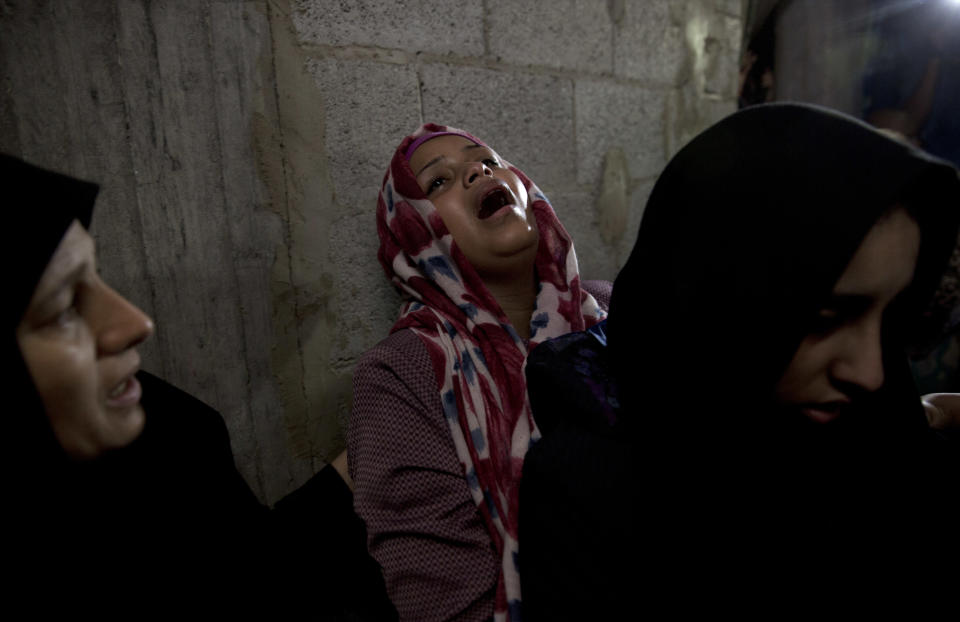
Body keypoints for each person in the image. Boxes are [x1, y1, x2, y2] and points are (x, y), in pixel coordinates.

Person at [519, 103, 960, 619]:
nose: (870, 371)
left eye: (889, 315)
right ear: (720, 300)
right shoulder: (589, 496)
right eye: (822, 319)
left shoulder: (873, 416)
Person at [5, 153, 396, 619]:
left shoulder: (169, 433)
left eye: (97, 276)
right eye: (63, 307)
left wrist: (365, 458)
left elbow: (250, 570)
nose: (135, 323)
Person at [348, 124, 609, 621]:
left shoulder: (612, 311)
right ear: (416, 232)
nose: (477, 170)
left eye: (486, 159)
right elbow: (445, 603)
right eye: (437, 182)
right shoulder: (402, 375)